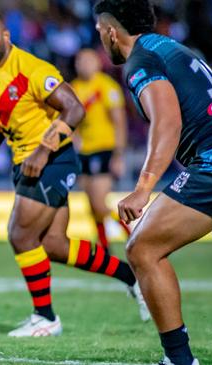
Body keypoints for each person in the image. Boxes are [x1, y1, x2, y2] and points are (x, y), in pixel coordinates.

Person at [0, 12, 150, 337]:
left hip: (52, 160)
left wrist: (42, 150)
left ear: (6, 37)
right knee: (54, 245)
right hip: (25, 163)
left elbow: (75, 108)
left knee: (21, 235)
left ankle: (46, 317)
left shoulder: (33, 69)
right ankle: (132, 277)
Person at [95, 1, 212, 364]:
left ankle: (178, 359)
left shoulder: (141, 61)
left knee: (142, 248)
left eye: (101, 32)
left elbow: (167, 121)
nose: (101, 40)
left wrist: (144, 187)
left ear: (112, 32)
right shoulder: (169, 47)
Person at [72, 49, 131, 253]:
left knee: (99, 202)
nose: (84, 64)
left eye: (88, 60)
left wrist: (118, 155)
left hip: (104, 149)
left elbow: (119, 121)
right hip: (84, 152)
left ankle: (132, 235)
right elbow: (71, 123)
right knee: (91, 204)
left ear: (98, 63)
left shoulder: (106, 86)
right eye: (80, 60)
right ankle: (104, 246)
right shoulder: (74, 88)